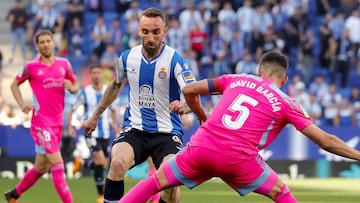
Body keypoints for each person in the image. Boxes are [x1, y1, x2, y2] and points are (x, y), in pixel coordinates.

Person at [118, 51, 360, 203]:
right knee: (281, 192)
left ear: (258, 71)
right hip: (239, 159)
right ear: (284, 80)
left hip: (202, 147)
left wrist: (202, 114)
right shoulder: (287, 102)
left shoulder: (236, 78)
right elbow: (324, 141)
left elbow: (189, 90)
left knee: (155, 181)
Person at [83, 7, 197, 203]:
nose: (150, 37)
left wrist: (184, 107)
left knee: (170, 182)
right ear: (138, 31)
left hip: (167, 133)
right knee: (117, 163)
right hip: (136, 129)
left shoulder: (175, 61)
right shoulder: (127, 58)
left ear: (165, 32)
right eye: (145, 32)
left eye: (155, 32)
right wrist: (95, 116)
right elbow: (115, 86)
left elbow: (192, 92)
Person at [5, 29, 79, 203]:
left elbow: (75, 85)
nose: (45, 44)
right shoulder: (30, 67)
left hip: (57, 123)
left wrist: (71, 87)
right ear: (37, 46)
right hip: (41, 123)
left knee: (41, 166)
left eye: (48, 41)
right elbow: (14, 85)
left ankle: (13, 195)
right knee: (58, 165)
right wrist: (22, 104)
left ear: (54, 42)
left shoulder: (64, 65)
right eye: (42, 42)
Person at [66, 64, 119, 203]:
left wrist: (115, 125)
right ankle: (101, 195)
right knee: (101, 161)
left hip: (105, 133)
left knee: (102, 164)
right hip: (91, 132)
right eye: (94, 73)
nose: (96, 75)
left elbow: (114, 110)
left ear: (102, 75)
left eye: (98, 73)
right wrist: (70, 127)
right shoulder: (85, 92)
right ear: (91, 75)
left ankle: (82, 163)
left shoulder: (108, 91)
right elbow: (71, 109)